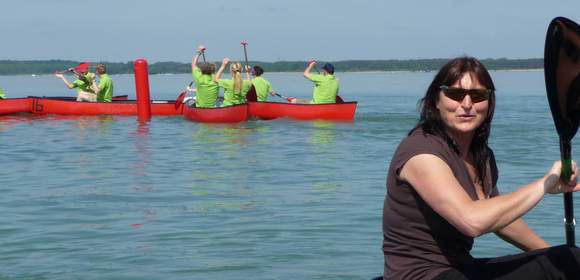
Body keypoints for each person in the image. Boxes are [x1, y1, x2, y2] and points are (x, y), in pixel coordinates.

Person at [381, 56, 580, 280]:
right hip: (421, 275)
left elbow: (501, 220)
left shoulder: (481, 156)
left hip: (461, 268)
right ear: (436, 100)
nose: (466, 104)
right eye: (455, 94)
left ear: (489, 102)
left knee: (568, 259)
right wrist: (545, 184)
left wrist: (554, 255)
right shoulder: (421, 152)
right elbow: (471, 221)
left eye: (477, 96)